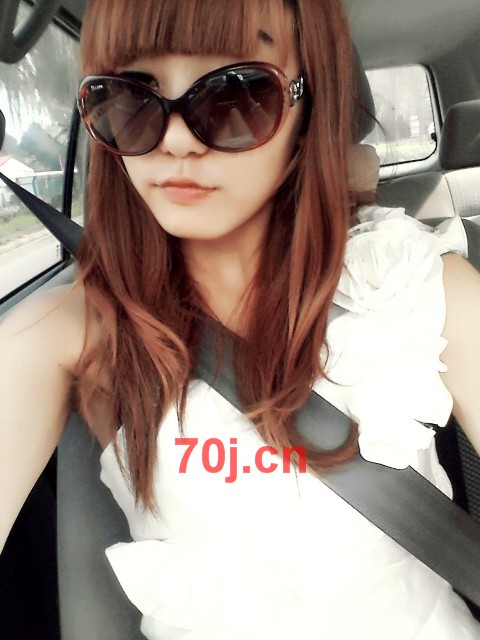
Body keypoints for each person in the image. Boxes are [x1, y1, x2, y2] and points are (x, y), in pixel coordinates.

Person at [1, 0, 480, 638]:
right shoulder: (68, 329)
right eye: (129, 97)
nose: (175, 140)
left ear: (309, 103)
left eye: (234, 93)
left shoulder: (414, 281)